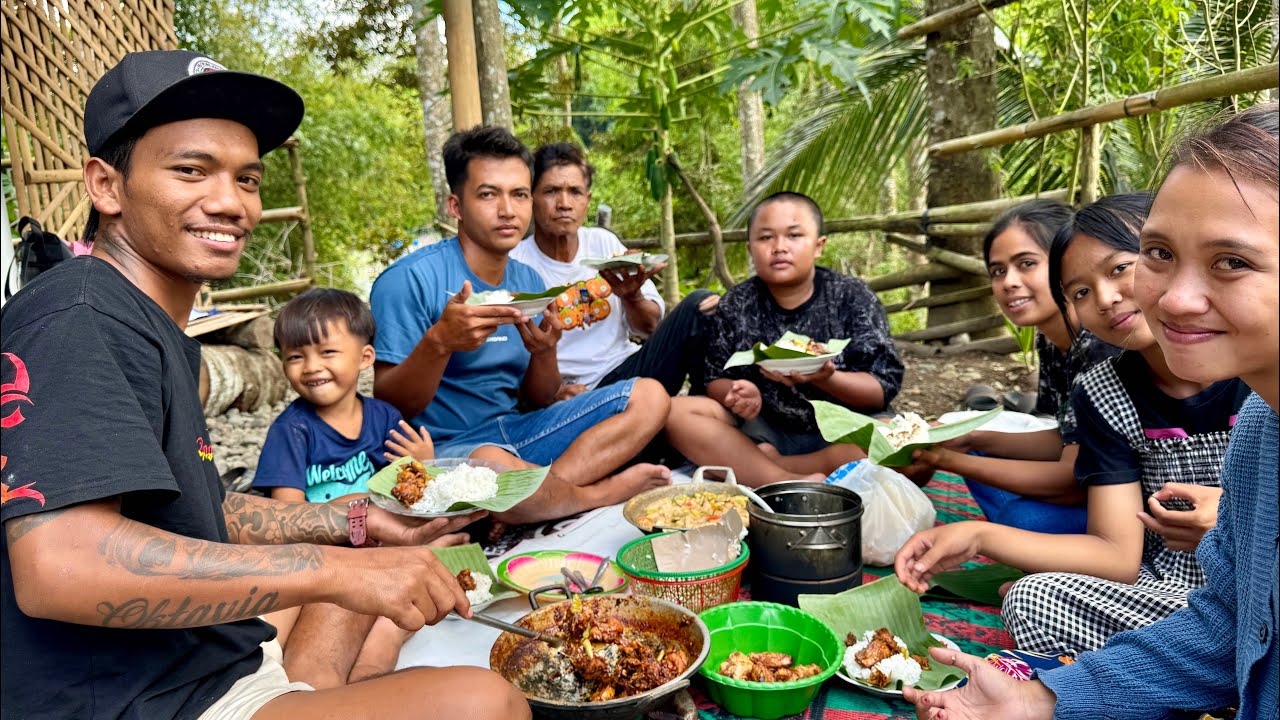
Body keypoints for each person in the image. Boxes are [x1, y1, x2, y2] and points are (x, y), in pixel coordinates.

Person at [0, 51, 528, 720]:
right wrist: (334, 569)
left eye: (246, 178)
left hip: (203, 656)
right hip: (140, 698)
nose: (229, 201)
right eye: (191, 170)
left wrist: (357, 524)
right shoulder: (80, 315)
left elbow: (201, 512)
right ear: (106, 185)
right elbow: (59, 565)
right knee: (485, 702)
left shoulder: (151, 326)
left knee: (357, 567)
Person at [904, 103, 1277, 720]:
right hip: (1176, 588)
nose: (1178, 299)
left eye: (1231, 261)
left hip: (1182, 582)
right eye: (1161, 254)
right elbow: (1228, 622)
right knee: (1030, 594)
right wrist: (1048, 700)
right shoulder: (1246, 421)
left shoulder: (1244, 384)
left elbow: (1067, 472)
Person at [897, 193, 1247, 655]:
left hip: (1266, 580)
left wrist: (1236, 518)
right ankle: (1213, 666)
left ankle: (1207, 669)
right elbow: (1119, 556)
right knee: (1031, 600)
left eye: (1121, 268)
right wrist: (978, 535)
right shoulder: (1105, 390)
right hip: (1174, 596)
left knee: (1025, 522)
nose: (1104, 298)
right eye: (1080, 292)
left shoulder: (1255, 364)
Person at [370, 126, 671, 524]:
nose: (507, 210)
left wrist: (544, 352)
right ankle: (595, 494)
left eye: (519, 195)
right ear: (456, 206)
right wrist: (440, 343)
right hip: (447, 447)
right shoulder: (409, 280)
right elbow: (390, 406)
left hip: (518, 432)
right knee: (490, 463)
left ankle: (531, 499)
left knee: (650, 396)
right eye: (488, 195)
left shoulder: (528, 283)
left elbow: (538, 399)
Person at [252, 288, 458, 688]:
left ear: (365, 358)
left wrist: (423, 465)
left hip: (380, 545)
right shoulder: (292, 429)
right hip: (322, 552)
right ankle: (268, 664)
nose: (311, 366)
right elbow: (289, 516)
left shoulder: (384, 418)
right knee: (288, 612)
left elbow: (411, 495)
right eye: (295, 356)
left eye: (327, 352)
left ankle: (371, 674)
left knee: (401, 601)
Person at [665, 192, 904, 487]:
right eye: (765, 238)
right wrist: (738, 393)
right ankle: (781, 479)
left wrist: (826, 378)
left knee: (903, 445)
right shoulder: (737, 304)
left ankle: (781, 467)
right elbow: (715, 379)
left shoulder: (853, 298)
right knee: (677, 412)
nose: (779, 248)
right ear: (750, 248)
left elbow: (881, 389)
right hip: (764, 430)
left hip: (843, 429)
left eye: (794, 235)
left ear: (818, 246)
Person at [915, 200, 1120, 534]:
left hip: (1125, 507)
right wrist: (968, 437)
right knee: (975, 449)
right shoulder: (1052, 341)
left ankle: (1037, 543)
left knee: (1022, 520)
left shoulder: (1100, 345)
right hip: (1084, 488)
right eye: (998, 271)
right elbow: (1063, 438)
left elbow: (1073, 480)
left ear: (1067, 265)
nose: (1009, 282)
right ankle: (1029, 540)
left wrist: (946, 460)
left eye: (1026, 263)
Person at [509, 142, 719, 399]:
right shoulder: (515, 264)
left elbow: (649, 327)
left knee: (702, 304)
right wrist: (551, 394)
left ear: (587, 200)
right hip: (575, 393)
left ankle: (706, 404)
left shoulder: (603, 242)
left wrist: (633, 297)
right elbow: (503, 359)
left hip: (630, 372)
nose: (564, 203)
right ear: (531, 198)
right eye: (551, 191)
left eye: (575, 192)